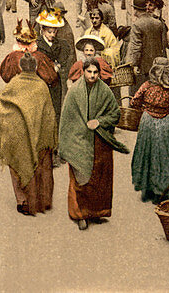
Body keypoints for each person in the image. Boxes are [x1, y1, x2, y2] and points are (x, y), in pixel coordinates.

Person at [0, 52, 57, 216]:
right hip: (39, 133)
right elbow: (49, 114)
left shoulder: (14, 84)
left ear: (20, 68)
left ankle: (22, 201)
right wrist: (51, 135)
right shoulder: (41, 86)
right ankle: (42, 201)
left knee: (17, 166)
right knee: (41, 166)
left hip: (18, 134)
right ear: (35, 68)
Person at [58, 58, 128, 230]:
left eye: (95, 72)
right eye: (89, 72)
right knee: (80, 177)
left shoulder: (105, 91)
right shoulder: (74, 92)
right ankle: (79, 214)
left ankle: (96, 212)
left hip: (100, 141)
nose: (92, 75)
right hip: (79, 140)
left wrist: (100, 121)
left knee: (100, 178)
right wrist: (68, 142)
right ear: (83, 72)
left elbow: (115, 114)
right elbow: (66, 120)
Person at [129, 56, 169, 203]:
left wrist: (146, 109)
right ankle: (167, 190)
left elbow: (134, 102)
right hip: (167, 125)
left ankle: (149, 190)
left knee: (148, 155)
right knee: (167, 158)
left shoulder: (146, 86)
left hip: (147, 124)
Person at [35, 8, 74, 122]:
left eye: (54, 32)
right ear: (42, 30)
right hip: (41, 82)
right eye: (49, 32)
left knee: (56, 109)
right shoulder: (37, 44)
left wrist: (59, 66)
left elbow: (63, 61)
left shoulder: (61, 44)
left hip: (55, 82)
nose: (52, 35)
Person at [126, 0, 168, 93]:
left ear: (136, 10)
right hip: (156, 66)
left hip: (142, 67)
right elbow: (164, 43)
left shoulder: (137, 25)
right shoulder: (158, 23)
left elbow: (136, 48)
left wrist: (134, 65)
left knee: (138, 93)